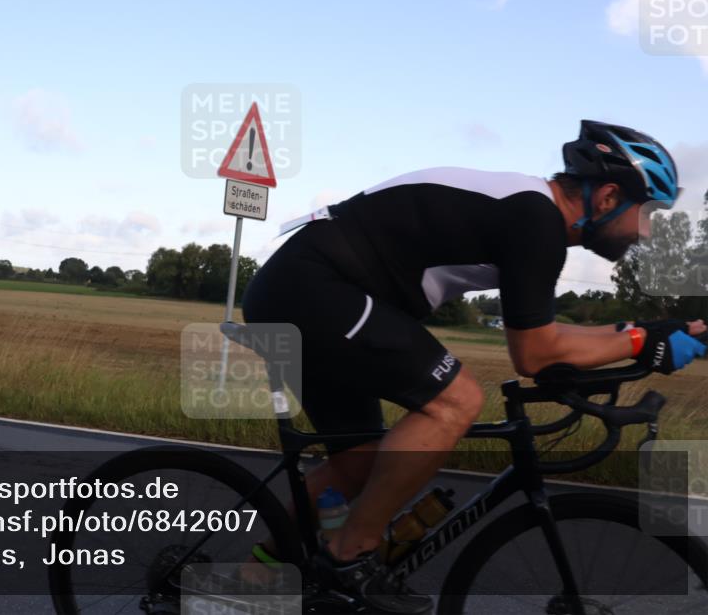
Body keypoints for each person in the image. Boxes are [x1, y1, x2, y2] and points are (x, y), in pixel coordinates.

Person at [239, 120, 706, 614]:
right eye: (650, 213)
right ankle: (350, 553)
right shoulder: (536, 220)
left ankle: (248, 577)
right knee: (455, 400)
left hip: (305, 291)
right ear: (610, 195)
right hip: (314, 289)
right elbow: (535, 355)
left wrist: (645, 335)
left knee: (357, 461)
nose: (649, 232)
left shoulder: (532, 214)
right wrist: (637, 341)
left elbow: (548, 337)